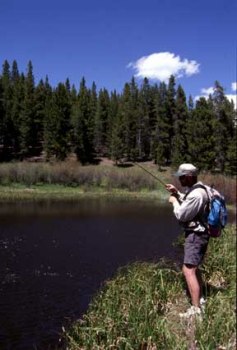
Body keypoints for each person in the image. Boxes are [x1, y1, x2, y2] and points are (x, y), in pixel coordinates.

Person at [165, 163, 210, 318]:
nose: (180, 179)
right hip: (201, 234)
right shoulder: (199, 189)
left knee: (188, 270)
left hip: (195, 236)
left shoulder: (196, 194)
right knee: (194, 267)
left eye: (182, 177)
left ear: (190, 176)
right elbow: (190, 203)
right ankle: (201, 299)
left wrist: (174, 202)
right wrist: (177, 193)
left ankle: (196, 309)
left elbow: (182, 215)